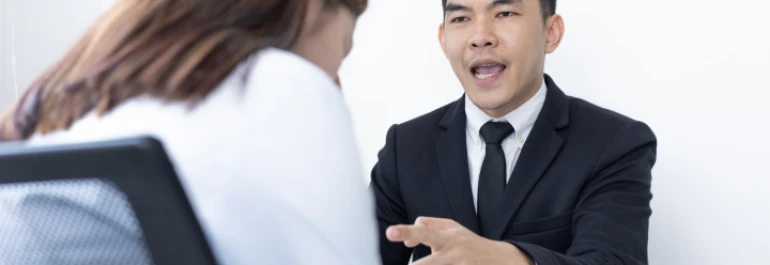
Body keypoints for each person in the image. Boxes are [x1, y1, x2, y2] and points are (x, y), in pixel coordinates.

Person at [0, 0, 380, 264]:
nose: (335, 79)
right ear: (311, 8)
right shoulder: (280, 83)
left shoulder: (67, 100)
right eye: (343, 50)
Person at [370, 0, 657, 264]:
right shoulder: (405, 147)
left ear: (551, 33)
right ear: (443, 40)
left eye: (505, 13)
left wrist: (508, 260)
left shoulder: (615, 143)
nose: (480, 36)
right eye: (460, 18)